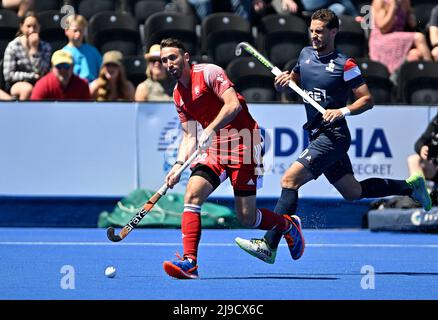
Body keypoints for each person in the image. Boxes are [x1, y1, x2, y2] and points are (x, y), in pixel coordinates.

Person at [235, 9, 432, 265]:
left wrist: (342, 111)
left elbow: (367, 100)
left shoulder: (345, 64)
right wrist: (283, 82)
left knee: (289, 179)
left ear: (333, 32)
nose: (314, 36)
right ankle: (410, 187)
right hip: (316, 134)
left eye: (320, 32)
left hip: (334, 136)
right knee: (353, 191)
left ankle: (269, 243)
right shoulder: (305, 55)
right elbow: (293, 83)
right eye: (312, 31)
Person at [159, 38, 304, 279]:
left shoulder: (209, 73)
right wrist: (177, 165)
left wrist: (210, 129)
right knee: (192, 195)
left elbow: (233, 105)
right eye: (164, 60)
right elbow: (188, 134)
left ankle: (288, 226)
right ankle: (190, 262)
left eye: (172, 57)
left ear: (186, 57)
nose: (168, 64)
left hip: (245, 143)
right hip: (215, 149)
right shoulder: (177, 95)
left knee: (247, 218)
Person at [368, 0, 432, 76]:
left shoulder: (406, 2)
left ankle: (401, 80)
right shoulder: (380, 1)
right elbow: (384, 28)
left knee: (415, 54)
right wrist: (393, 7)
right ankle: (432, 71)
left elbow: (413, 24)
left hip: (398, 39)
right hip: (381, 40)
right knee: (419, 37)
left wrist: (410, 15)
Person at [3, 12, 51, 100]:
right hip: (17, 83)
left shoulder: (45, 47)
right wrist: (32, 76)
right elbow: (8, 75)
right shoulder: (13, 46)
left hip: (40, 83)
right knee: (27, 89)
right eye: (28, 26)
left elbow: (43, 72)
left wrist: (34, 50)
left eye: (35, 26)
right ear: (21, 27)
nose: (32, 30)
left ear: (39, 28)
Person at [62, 14, 102, 84]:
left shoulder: (92, 51)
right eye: (75, 31)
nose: (78, 34)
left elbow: (102, 70)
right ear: (66, 31)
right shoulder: (63, 53)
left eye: (81, 31)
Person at [407, 113, 438, 188]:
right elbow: (420, 141)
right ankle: (421, 194)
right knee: (413, 159)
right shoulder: (436, 121)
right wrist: (422, 148)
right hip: (435, 168)